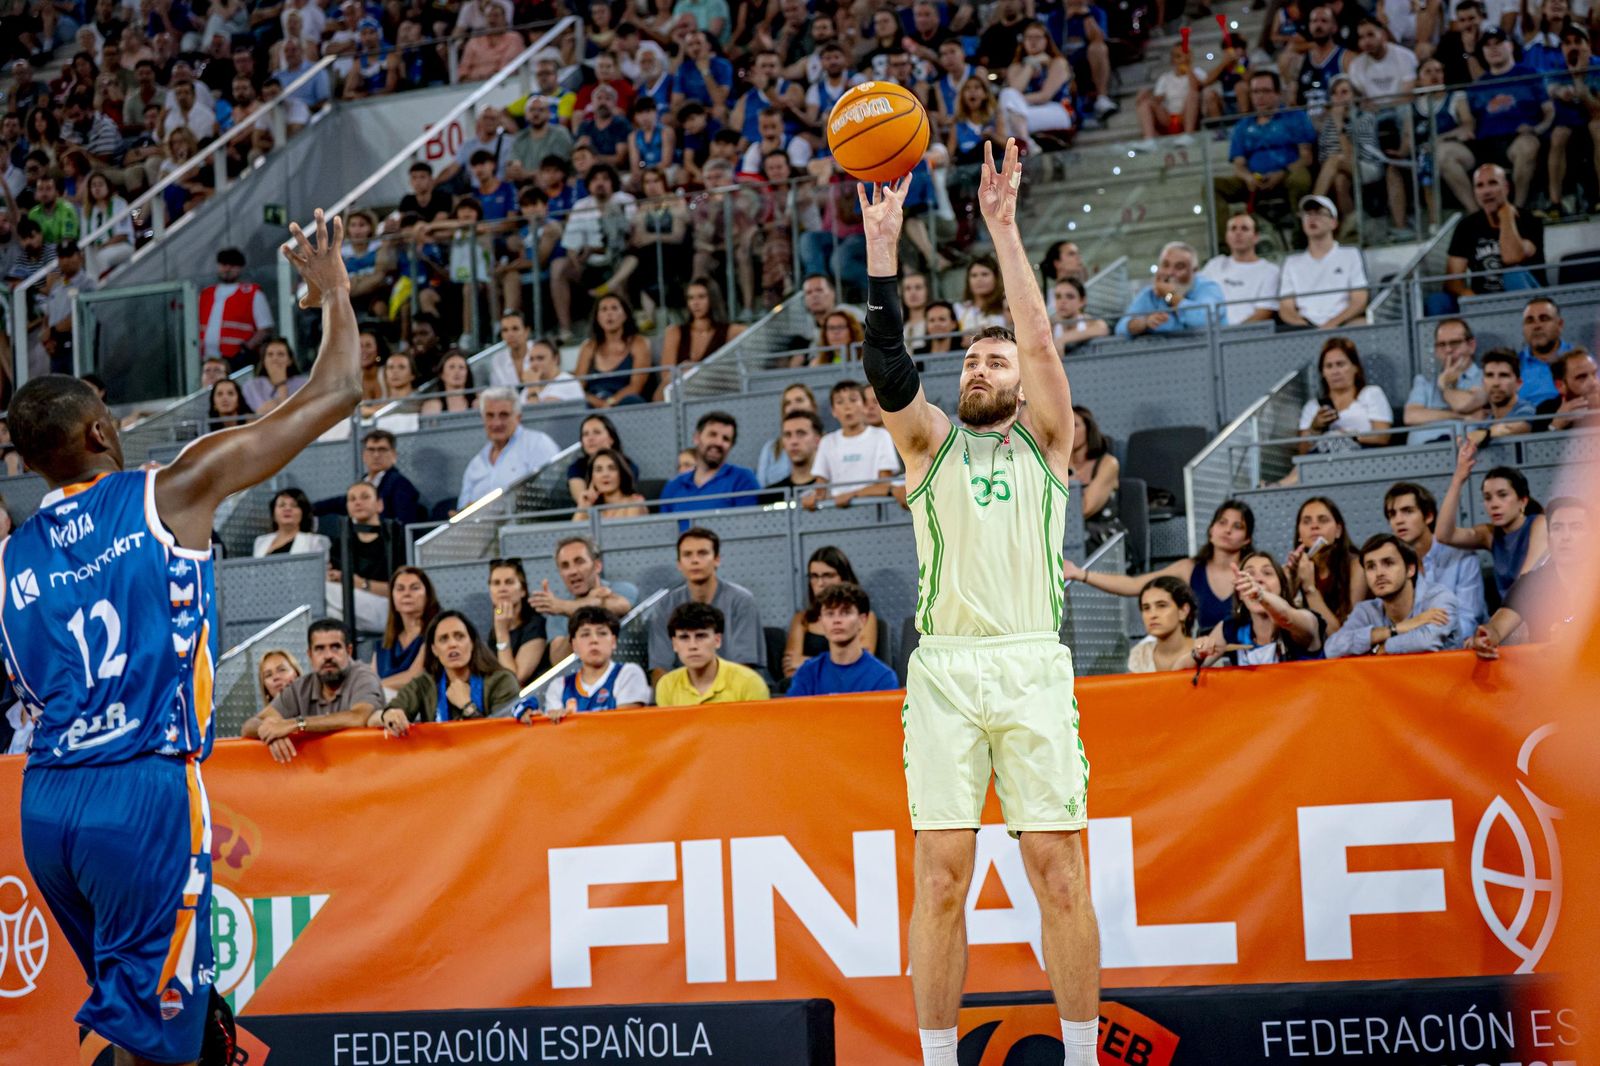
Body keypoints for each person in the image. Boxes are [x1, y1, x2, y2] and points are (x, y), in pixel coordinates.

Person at [2, 206, 356, 1064]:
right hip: (143, 791)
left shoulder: (13, 554)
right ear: (98, 433)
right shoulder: (171, 492)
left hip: (46, 805)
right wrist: (336, 293)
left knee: (164, 1009)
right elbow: (338, 391)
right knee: (152, 1036)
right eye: (108, 412)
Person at [856, 142, 1098, 1066]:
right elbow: (886, 363)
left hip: (1034, 664)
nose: (980, 367)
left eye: (992, 359)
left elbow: (1039, 341)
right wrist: (883, 255)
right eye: (970, 358)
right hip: (946, 674)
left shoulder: (1046, 438)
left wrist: (1003, 228)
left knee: (1059, 876)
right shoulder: (927, 447)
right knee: (940, 882)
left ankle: (1080, 1056)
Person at [242, 619, 385, 763]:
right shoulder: (302, 686)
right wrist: (269, 731)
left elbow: (359, 717)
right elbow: (250, 725)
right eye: (320, 649)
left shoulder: (364, 677)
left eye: (335, 647)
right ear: (310, 655)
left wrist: (295, 724)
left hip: (365, 769)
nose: (328, 655)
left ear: (349, 651)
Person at [1469, 495, 1588, 657]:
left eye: (1576, 527)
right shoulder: (1531, 584)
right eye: (1557, 528)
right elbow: (1497, 627)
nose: (1565, 536)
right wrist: (1487, 637)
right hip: (1546, 675)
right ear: (1549, 537)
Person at [1211, 71, 1316, 246]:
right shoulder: (1243, 125)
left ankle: (1302, 238)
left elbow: (1306, 157)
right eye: (1255, 92)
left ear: (1277, 93)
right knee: (1212, 186)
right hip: (1254, 180)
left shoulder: (1295, 116)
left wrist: (1282, 173)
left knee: (1300, 179)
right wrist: (1248, 177)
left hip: (1288, 175)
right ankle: (1225, 244)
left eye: (1266, 91)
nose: (1260, 97)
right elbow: (1238, 165)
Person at [1435, 439, 1548, 600]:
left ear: (1523, 500)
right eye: (1487, 498)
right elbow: (1443, 535)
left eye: (1502, 495)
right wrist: (1458, 479)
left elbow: (1527, 583)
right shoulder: (1490, 534)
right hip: (1508, 616)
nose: (1494, 504)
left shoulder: (1539, 523)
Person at [647, 526, 763, 682]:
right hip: (683, 695)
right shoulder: (664, 607)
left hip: (733, 692)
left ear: (717, 560)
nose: (695, 560)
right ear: (679, 564)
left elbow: (744, 666)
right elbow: (660, 668)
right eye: (687, 554)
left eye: (702, 553)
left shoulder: (742, 600)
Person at [373, 611, 521, 731]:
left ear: (472, 643)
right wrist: (390, 714)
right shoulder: (425, 683)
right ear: (434, 650)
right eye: (444, 639)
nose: (452, 644)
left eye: (459, 637)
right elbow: (391, 710)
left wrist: (468, 707)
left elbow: (504, 736)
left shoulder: (502, 680)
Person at [1383, 481, 1484, 646]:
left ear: (1428, 516)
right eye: (1392, 514)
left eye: (1407, 511)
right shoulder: (1391, 566)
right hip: (1411, 652)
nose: (1398, 520)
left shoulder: (1463, 557)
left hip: (1458, 651)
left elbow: (1468, 621)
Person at [1325, 534, 1458, 656]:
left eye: (1388, 563)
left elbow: (1427, 641)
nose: (1379, 573)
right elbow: (1331, 648)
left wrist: (1380, 648)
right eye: (1371, 567)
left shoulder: (1439, 598)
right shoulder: (1366, 610)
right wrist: (1394, 630)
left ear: (1410, 570)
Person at [1434, 164, 1543, 313]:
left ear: (1506, 187)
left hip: (1531, 301)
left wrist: (1506, 215)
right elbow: (1453, 280)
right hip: (1482, 301)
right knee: (1437, 300)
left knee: (1513, 275)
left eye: (1493, 183)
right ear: (1475, 193)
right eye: (1480, 186)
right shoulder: (1466, 226)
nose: (1486, 191)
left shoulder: (1528, 220)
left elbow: (1512, 257)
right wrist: (1468, 295)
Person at [1467, 28, 1552, 210]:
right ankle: (1478, 214)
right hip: (1485, 144)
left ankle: (1516, 209)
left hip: (1519, 138)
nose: (1493, 48)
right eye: (1488, 45)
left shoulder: (1530, 75)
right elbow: (1470, 123)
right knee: (1446, 154)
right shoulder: (1477, 86)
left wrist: (1537, 130)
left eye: (1498, 43)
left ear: (1510, 45)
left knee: (1527, 145)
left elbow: (1549, 112)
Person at [1193, 550, 1327, 665]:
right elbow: (1182, 671)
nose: (1257, 579)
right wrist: (1198, 654)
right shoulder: (1232, 628)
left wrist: (1261, 595)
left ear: (1283, 588)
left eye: (1267, 573)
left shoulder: (1309, 620)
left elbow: (1286, 617)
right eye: (1249, 574)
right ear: (1240, 593)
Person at [529, 607, 651, 718]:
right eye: (585, 634)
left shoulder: (629, 673)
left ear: (614, 641)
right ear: (574, 645)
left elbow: (624, 725)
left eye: (602, 633)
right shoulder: (559, 686)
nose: (594, 640)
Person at [532, 535, 639, 662]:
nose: (572, 571)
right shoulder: (556, 612)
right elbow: (557, 659)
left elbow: (622, 606)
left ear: (597, 566)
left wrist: (565, 607)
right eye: (565, 566)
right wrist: (578, 622)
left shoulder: (623, 589)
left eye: (579, 562)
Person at [456, 387, 561, 511]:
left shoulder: (538, 444)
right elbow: (462, 510)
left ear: (518, 417)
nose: (496, 423)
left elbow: (550, 495)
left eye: (504, 415)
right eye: (490, 415)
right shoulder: (475, 464)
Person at [784, 546, 882, 677]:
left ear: (843, 577)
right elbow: (790, 669)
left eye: (828, 575)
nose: (820, 583)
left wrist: (805, 661)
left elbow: (861, 662)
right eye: (814, 576)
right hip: (809, 690)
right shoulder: (802, 619)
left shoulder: (865, 617)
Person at [786, 581, 898, 696]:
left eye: (845, 613)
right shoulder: (807, 673)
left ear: (862, 620)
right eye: (830, 614)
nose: (836, 620)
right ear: (821, 621)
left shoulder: (883, 677)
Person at [324, 480, 406, 633]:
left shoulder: (397, 538)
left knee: (322, 592)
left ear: (379, 504)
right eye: (352, 499)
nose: (358, 503)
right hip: (350, 608)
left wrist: (360, 583)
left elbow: (403, 589)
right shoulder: (340, 542)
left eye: (365, 497)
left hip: (389, 607)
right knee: (328, 615)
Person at [654, 602, 771, 706]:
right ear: (674, 644)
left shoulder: (749, 682)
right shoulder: (666, 685)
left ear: (717, 640)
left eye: (701, 636)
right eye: (684, 637)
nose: (693, 646)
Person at [1277, 195, 1369, 329]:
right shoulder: (1291, 262)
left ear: (1334, 222)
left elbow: (1359, 300)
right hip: (1305, 327)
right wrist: (1304, 325)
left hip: (1344, 323)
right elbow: (1286, 307)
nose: (1312, 218)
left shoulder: (1351, 254)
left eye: (1319, 213)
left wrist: (1332, 324)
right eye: (1308, 214)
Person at [807, 380, 900, 508]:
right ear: (833, 411)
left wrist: (852, 494)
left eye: (853, 400)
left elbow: (885, 484)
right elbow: (820, 487)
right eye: (840, 402)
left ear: (864, 406)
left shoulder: (881, 436)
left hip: (873, 507)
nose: (847, 407)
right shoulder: (827, 442)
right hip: (836, 511)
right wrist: (811, 498)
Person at [1286, 495, 1367, 635]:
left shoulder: (1357, 565)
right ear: (1299, 534)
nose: (1314, 526)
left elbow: (1344, 636)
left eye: (1323, 520)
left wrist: (1309, 589)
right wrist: (1291, 579)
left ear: (1338, 531)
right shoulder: (1297, 567)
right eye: (1306, 521)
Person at [1297, 336, 1392, 454]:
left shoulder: (1371, 394)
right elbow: (1302, 453)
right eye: (1329, 366)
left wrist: (1348, 437)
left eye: (1340, 364)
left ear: (1355, 367)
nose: (1335, 371)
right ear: (1323, 373)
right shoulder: (1312, 406)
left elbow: (1383, 437)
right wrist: (1315, 428)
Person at [659, 411, 762, 515]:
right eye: (712, 435)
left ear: (731, 446)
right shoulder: (674, 486)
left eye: (726, 439)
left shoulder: (743, 479)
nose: (718, 442)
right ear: (697, 438)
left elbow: (749, 525)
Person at [1115, 241, 1225, 337]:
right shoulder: (1150, 295)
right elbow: (1121, 328)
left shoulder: (1208, 288)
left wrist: (1170, 295)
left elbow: (1203, 320)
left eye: (1179, 267)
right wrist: (1145, 322)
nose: (1170, 272)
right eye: (1165, 265)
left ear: (1194, 271)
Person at [1404, 318, 1485, 443]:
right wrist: (1461, 416)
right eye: (1441, 345)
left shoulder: (1486, 377)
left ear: (1471, 346)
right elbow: (1411, 416)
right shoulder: (1424, 381)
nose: (1448, 350)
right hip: (1419, 455)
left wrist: (1445, 385)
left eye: (1455, 343)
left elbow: (1463, 404)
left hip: (1464, 451)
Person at [1200, 214, 1282, 326]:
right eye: (1233, 229)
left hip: (1250, 337)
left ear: (1256, 237)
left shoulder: (1270, 271)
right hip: (1212, 336)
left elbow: (1264, 312)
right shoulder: (1214, 265)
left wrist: (1233, 334)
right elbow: (1196, 297)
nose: (1238, 233)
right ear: (1227, 236)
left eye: (1244, 228)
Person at [198, 245, 274, 367]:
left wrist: (246, 350)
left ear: (240, 268)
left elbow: (265, 328)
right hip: (206, 360)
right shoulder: (205, 294)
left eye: (232, 265)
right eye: (223, 264)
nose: (227, 268)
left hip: (236, 361)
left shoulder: (252, 293)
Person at [372, 565, 439, 692]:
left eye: (415, 588)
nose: (407, 594)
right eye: (400, 589)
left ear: (427, 594)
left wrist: (374, 688)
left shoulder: (435, 632)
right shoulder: (384, 643)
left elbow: (414, 677)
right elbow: (371, 678)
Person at [660, 276, 742, 372]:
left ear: (713, 299)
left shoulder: (731, 331)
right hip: (681, 385)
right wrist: (681, 372)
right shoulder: (675, 332)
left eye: (701, 297)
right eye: (690, 298)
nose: (695, 303)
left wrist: (696, 369)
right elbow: (666, 375)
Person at [487, 557, 547, 686]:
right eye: (496, 583)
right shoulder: (494, 628)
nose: (502, 588)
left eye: (509, 582)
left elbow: (513, 679)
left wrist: (502, 632)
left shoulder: (534, 624)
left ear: (523, 590)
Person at [1126, 576, 1199, 673]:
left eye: (1161, 606)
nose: (1152, 615)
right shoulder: (1139, 655)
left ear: (1183, 611)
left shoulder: (1204, 652)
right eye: (1146, 608)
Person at [565, 414, 641, 503]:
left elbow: (622, 498)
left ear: (611, 439)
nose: (590, 438)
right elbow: (583, 502)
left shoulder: (628, 465)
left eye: (597, 432)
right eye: (585, 434)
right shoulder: (576, 467)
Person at [1465, 348, 1536, 441]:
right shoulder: (1485, 421)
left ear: (1518, 383)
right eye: (1490, 375)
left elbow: (1520, 427)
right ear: (1483, 383)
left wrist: (1484, 434)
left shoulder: (1526, 409)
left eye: (1503, 375)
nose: (1496, 383)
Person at [1514, 296, 1572, 409]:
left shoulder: (1581, 361)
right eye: (1530, 321)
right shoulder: (1513, 366)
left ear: (1560, 325)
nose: (1537, 326)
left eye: (1544, 319)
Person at [755, 383, 818, 485]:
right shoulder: (770, 448)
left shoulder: (829, 443)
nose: (793, 407)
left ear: (813, 406)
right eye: (787, 403)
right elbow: (761, 488)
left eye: (799, 400)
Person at [252, 487, 330, 556]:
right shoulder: (260, 541)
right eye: (282, 505)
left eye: (294, 505)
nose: (287, 509)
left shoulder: (315, 541)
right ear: (273, 514)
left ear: (303, 513)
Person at [1536, 349, 1600, 432]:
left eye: (1594, 374)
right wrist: (1555, 426)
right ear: (1560, 386)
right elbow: (1537, 445)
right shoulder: (1546, 410)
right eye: (1581, 377)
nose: (1593, 383)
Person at [241, 336, 307, 414]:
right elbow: (262, 414)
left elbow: (298, 414)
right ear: (264, 361)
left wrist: (281, 384)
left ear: (290, 360)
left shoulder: (303, 384)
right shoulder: (251, 386)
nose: (275, 358)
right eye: (270, 354)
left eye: (280, 354)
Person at [767, 408, 825, 493]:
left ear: (818, 440)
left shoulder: (835, 489)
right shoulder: (771, 495)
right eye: (787, 435)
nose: (793, 441)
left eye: (801, 433)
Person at [1051, 278, 1109, 351]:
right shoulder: (1051, 325)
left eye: (1070, 296)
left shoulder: (1088, 321)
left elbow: (1102, 328)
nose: (1063, 301)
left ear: (1082, 301)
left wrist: (1063, 339)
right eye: (1058, 296)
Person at [420, 349, 480, 415]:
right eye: (451, 367)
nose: (457, 371)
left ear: (467, 373)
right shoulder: (432, 406)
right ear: (442, 374)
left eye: (461, 367)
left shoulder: (479, 402)